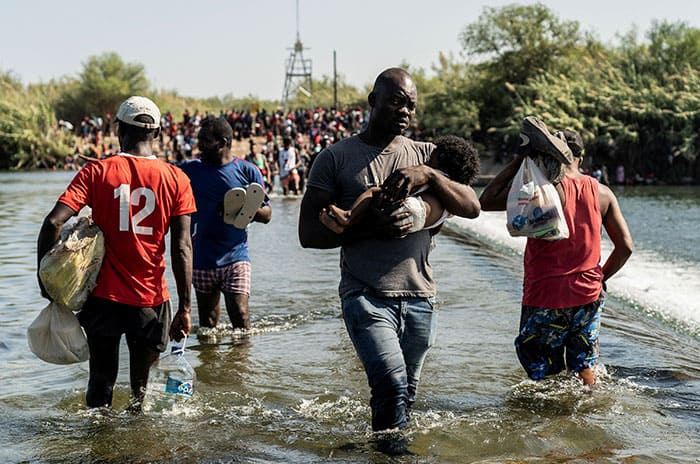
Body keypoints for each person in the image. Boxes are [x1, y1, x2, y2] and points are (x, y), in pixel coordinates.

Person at [298, 68, 480, 443]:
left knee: (402, 396)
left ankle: (377, 448)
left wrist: (429, 174)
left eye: (411, 105)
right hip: (365, 295)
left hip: (420, 299)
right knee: (392, 383)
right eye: (396, 101)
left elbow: (472, 205)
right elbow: (308, 234)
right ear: (373, 101)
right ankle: (395, 455)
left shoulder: (426, 155)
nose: (405, 111)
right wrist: (369, 228)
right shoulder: (335, 158)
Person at [37, 96, 196, 409]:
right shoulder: (177, 178)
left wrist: (47, 282)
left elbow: (53, 222)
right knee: (143, 394)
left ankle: (100, 452)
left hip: (103, 299)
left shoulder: (97, 171)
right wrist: (186, 307)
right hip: (150, 299)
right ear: (159, 133)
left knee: (100, 385)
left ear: (118, 129)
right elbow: (182, 246)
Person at [479, 125, 634, 386]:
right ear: (581, 158)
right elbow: (626, 247)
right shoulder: (603, 193)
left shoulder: (543, 190)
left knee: (543, 374)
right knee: (585, 367)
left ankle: (549, 423)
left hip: (545, 295)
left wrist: (521, 158)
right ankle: (588, 415)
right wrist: (600, 277)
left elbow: (486, 200)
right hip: (588, 294)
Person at [180, 116, 271, 331]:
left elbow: (266, 214)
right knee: (208, 327)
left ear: (222, 143)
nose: (198, 144)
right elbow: (157, 174)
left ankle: (240, 365)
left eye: (204, 140)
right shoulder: (189, 170)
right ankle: (212, 365)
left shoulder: (247, 171)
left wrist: (244, 209)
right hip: (201, 258)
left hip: (236, 257)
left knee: (241, 318)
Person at [319, 135, 480, 235]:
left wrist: (427, 174)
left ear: (442, 159)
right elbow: (436, 229)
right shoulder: (451, 192)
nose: (426, 160)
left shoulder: (432, 173)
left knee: (375, 192)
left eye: (431, 159)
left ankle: (348, 217)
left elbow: (474, 207)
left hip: (408, 209)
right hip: (417, 221)